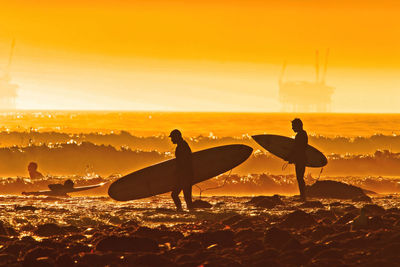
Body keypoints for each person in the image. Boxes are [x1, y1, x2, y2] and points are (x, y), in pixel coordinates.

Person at [169, 129, 194, 211]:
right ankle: (184, 211)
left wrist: (176, 171)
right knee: (186, 197)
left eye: (172, 137)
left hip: (185, 176)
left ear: (177, 137)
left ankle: (180, 210)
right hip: (185, 175)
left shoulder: (182, 146)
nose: (171, 139)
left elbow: (184, 162)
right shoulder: (182, 145)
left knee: (177, 195)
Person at [287, 118, 308, 201]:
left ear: (298, 126)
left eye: (293, 126)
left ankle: (303, 196)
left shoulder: (300, 135)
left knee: (300, 178)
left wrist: (291, 157)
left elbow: (297, 149)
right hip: (301, 159)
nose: (292, 128)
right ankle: (302, 196)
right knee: (300, 178)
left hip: (300, 159)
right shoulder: (303, 134)